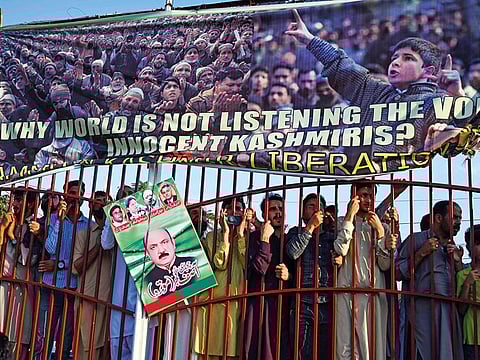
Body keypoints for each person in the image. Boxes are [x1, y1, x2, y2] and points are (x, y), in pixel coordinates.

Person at [285, 10, 467, 174]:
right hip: (360, 183)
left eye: (408, 58)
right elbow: (342, 65)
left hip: (406, 186)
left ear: (428, 71)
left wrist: (457, 95)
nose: (395, 62)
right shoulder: (377, 92)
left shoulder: (438, 101)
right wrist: (309, 39)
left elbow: (466, 141)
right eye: (394, 58)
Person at [333, 182, 397, 360]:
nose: (367, 200)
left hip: (373, 291)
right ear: (354, 197)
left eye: (371, 196)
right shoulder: (342, 221)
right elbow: (340, 249)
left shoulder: (382, 226)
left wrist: (379, 231)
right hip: (345, 288)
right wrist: (350, 216)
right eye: (363, 195)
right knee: (344, 345)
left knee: (372, 346)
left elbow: (385, 264)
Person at [396, 200, 464, 360]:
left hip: (448, 312)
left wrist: (458, 262)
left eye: (460, 219)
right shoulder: (417, 240)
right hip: (423, 311)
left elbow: (461, 284)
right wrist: (421, 252)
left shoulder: (452, 247)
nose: (458, 223)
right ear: (438, 218)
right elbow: (397, 273)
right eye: (455, 217)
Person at [101, 185, 157, 360]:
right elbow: (106, 243)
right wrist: (112, 218)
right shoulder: (117, 228)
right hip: (119, 307)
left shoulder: (148, 227)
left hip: (143, 307)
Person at [36, 180, 90, 360]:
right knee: (46, 330)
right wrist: (59, 219)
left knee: (67, 333)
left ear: (82, 197)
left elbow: (83, 258)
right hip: (51, 283)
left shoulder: (87, 225)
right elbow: (50, 247)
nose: (74, 197)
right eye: (70, 193)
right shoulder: (53, 219)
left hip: (73, 285)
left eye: (77, 193)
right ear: (65, 195)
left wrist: (59, 264)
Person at [286, 193, 342, 360]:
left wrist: (339, 260)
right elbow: (293, 252)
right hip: (302, 301)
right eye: (311, 206)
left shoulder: (332, 237)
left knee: (325, 351)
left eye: (320, 208)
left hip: (327, 302)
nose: (316, 210)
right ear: (303, 212)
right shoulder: (295, 232)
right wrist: (310, 227)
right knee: (301, 351)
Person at [193, 197, 250, 360]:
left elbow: (247, 263)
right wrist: (225, 235)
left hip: (238, 303)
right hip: (213, 303)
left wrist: (239, 235)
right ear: (222, 213)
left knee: (234, 351)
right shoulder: (212, 236)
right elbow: (220, 263)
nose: (234, 212)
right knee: (209, 352)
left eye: (238, 209)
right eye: (229, 209)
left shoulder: (249, 236)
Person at [245, 193, 292, 360]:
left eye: (281, 209)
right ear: (265, 214)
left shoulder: (289, 239)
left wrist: (289, 275)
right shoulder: (255, 238)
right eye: (273, 209)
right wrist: (265, 238)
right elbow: (258, 268)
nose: (278, 213)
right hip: (259, 305)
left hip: (283, 307)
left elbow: (300, 274)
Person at [72, 191, 112, 360]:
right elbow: (77, 267)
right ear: (89, 205)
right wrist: (98, 247)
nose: (101, 205)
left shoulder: (119, 235)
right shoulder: (84, 234)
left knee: (109, 348)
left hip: (112, 301)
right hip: (88, 298)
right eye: (97, 201)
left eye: (105, 202)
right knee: (86, 349)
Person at [0, 187, 39, 360]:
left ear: (30, 204)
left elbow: (27, 260)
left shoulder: (33, 227)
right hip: (2, 285)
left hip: (21, 289)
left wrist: (13, 236)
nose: (14, 204)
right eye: (14, 199)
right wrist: (3, 229)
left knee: (17, 334)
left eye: (19, 200)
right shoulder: (4, 221)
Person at [143, 228, 199, 298]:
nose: (161, 250)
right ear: (147, 253)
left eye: (164, 242)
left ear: (173, 243)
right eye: (153, 247)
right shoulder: (146, 282)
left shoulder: (194, 262)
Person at [457, 224, 480, 360]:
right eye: (477, 243)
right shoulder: (463, 275)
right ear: (469, 247)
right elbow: (461, 309)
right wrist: (467, 284)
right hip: (472, 337)